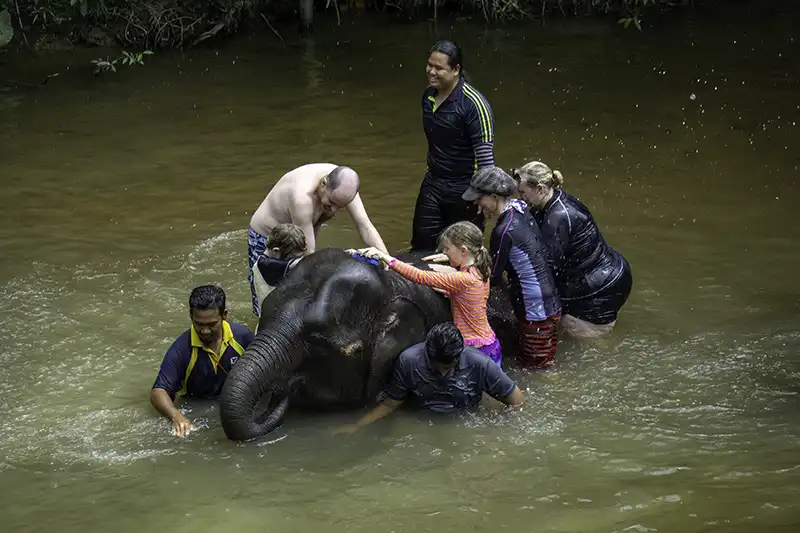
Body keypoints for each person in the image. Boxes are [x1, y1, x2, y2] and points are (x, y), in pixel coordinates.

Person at [248, 163, 388, 316]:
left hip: (299, 236)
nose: (333, 210)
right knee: (267, 300)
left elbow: (365, 226)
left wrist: (390, 262)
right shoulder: (301, 198)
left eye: (340, 207)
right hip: (268, 237)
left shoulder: (345, 185)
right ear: (323, 184)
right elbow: (309, 256)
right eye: (331, 203)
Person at [333, 322, 524, 435]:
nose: (441, 373)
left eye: (447, 367)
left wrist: (496, 430)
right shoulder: (409, 360)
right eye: (435, 367)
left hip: (463, 424)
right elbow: (391, 403)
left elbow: (517, 401)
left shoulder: (479, 363)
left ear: (459, 355)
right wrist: (357, 426)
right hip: (422, 423)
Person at [514, 161, 633, 338]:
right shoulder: (551, 202)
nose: (520, 197)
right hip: (606, 273)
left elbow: (546, 267)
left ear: (540, 189)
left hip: (601, 286)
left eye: (523, 193)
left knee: (575, 331)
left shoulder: (558, 218)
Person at [462, 167, 562, 369]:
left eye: (479, 199)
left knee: (536, 369)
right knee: (543, 363)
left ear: (493, 196)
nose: (476, 205)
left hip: (535, 312)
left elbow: (493, 276)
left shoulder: (503, 230)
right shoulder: (520, 209)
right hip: (550, 303)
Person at [361, 221, 502, 365]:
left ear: (464, 251)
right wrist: (451, 292)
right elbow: (470, 296)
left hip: (474, 349)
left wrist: (386, 258)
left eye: (447, 249)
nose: (445, 253)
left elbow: (420, 276)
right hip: (489, 344)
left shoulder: (462, 279)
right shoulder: (480, 271)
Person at [411, 40, 496, 252]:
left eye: (439, 68)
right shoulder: (428, 96)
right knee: (421, 247)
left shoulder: (474, 104)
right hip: (434, 183)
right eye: (430, 65)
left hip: (465, 190)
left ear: (456, 69)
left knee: (463, 254)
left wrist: (484, 195)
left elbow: (486, 160)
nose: (431, 71)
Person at [150, 285, 254, 437]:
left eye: (212, 324)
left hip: (235, 402)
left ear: (224, 316)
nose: (205, 331)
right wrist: (177, 417)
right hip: (197, 408)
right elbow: (158, 392)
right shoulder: (181, 350)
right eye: (199, 324)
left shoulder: (243, 337)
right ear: (191, 316)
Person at [251, 223, 306, 316]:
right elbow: (299, 263)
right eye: (291, 258)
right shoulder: (265, 265)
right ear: (276, 251)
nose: (293, 261)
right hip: (275, 323)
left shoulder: (266, 263)